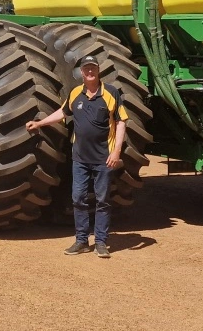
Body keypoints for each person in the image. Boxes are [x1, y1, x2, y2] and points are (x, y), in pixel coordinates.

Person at [27, 55, 128, 258]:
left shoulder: (111, 93)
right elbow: (62, 113)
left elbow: (121, 122)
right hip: (80, 159)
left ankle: (100, 242)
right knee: (78, 199)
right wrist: (40, 123)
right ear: (82, 72)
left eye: (93, 68)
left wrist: (116, 151)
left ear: (98, 70)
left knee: (102, 200)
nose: (90, 72)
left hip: (104, 159)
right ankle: (81, 241)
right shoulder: (75, 93)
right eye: (86, 69)